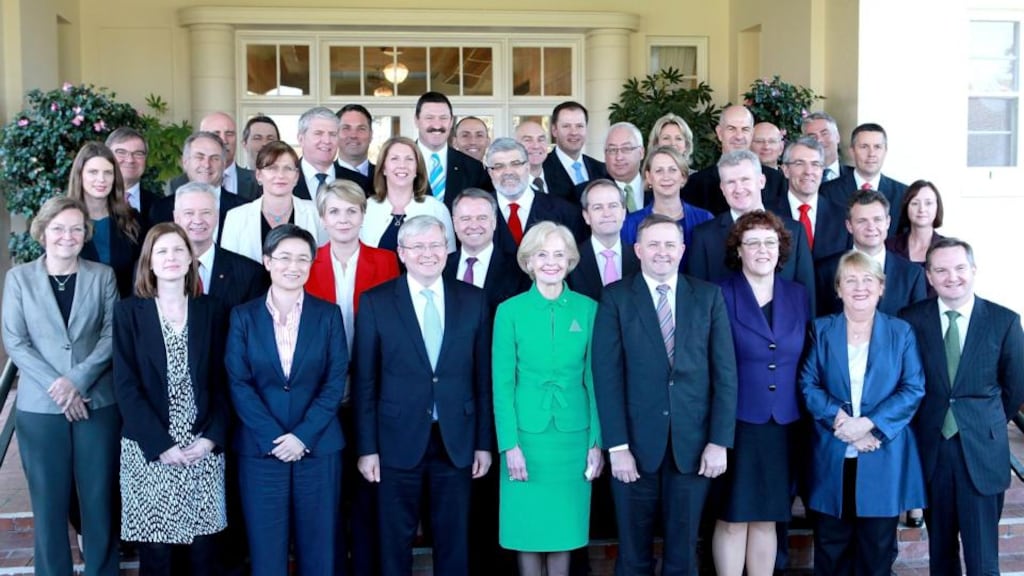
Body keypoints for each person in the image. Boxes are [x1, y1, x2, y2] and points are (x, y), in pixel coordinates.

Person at [593, 213, 738, 575]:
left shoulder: (708, 296)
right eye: (653, 244)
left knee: (683, 553)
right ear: (638, 249)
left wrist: (719, 441)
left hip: (692, 447)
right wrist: (618, 447)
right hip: (634, 451)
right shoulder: (615, 298)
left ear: (682, 249)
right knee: (633, 554)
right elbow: (606, 377)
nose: (662, 252)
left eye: (670, 244)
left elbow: (725, 375)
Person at [353, 215, 493, 576]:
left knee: (454, 541)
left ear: (447, 249)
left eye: (435, 245)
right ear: (402, 252)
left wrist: (482, 444)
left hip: (456, 441)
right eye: (417, 246)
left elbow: (482, 379)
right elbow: (365, 383)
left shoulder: (474, 300)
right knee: (394, 543)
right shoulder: (375, 302)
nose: (428, 253)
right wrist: (367, 448)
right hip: (395, 441)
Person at [1, 196, 120, 576]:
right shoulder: (19, 279)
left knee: (99, 500)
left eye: (75, 228)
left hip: (95, 403)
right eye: (58, 228)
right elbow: (15, 340)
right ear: (42, 232)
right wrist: (59, 384)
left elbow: (111, 334)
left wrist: (77, 379)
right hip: (40, 408)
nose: (67, 236)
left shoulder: (102, 276)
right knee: (49, 505)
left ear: (85, 234)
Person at [225, 224, 348, 576]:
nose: (293, 266)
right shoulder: (243, 316)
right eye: (284, 258)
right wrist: (276, 439)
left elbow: (334, 381)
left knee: (319, 553)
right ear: (267, 261)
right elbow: (239, 382)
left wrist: (302, 437)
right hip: (262, 451)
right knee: (266, 555)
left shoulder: (328, 315)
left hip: (318, 449)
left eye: (302, 259)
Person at [901, 238, 1024, 576]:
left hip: (982, 453)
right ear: (929, 276)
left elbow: (1014, 388)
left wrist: (982, 421)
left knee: (983, 559)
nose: (951, 277)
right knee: (940, 554)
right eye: (940, 270)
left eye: (959, 268)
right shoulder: (911, 319)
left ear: (973, 270)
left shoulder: (1004, 321)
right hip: (932, 451)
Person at [800, 251, 926, 576]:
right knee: (830, 547)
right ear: (838, 289)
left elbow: (913, 388)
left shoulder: (901, 332)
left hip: (882, 451)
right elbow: (808, 383)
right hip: (832, 450)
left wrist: (869, 425)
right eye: (850, 280)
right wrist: (841, 422)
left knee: (878, 550)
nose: (860, 287)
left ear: (881, 287)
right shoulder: (821, 329)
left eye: (868, 279)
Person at [113, 223, 229, 575]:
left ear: (191, 257)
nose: (171, 258)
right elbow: (125, 385)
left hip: (201, 447)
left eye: (179, 250)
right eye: (162, 251)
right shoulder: (129, 313)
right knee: (158, 556)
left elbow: (226, 381)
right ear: (148, 262)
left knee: (203, 555)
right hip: (150, 451)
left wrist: (211, 438)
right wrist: (161, 444)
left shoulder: (213, 310)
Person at [492, 221, 602, 576]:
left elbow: (595, 380)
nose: (551, 262)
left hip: (573, 438)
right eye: (542, 254)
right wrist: (510, 445)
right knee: (527, 533)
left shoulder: (588, 309)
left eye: (559, 254)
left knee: (563, 534)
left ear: (570, 260)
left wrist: (596, 443)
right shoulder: (509, 311)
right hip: (526, 438)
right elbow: (502, 383)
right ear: (529, 261)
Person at [305, 178, 399, 576]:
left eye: (351, 210)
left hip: (373, 393)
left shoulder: (387, 262)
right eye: (334, 211)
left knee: (367, 496)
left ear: (363, 215)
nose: (343, 219)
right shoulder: (306, 262)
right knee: (328, 497)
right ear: (322, 218)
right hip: (320, 397)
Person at [711, 211, 809, 576]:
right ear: (739, 250)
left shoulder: (798, 295)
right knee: (734, 517)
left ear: (780, 248)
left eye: (769, 242)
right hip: (736, 423)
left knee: (768, 518)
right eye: (752, 243)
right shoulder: (719, 293)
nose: (762, 250)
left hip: (784, 425)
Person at [686, 150, 816, 315]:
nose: (738, 189)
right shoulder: (704, 236)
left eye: (745, 180)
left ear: (761, 181)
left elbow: (807, 295)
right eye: (730, 182)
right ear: (722, 188)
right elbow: (698, 301)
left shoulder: (794, 230)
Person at [814, 189, 927, 317]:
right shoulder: (825, 271)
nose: (871, 227)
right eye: (862, 221)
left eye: (877, 219)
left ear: (888, 222)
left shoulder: (912, 275)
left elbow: (918, 327)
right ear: (849, 226)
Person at [221, 140, 325, 263]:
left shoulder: (315, 213)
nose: (280, 175)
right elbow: (228, 268)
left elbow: (323, 261)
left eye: (287, 168)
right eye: (272, 168)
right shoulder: (236, 217)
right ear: (259, 175)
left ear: (296, 176)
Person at [173, 182, 268, 310]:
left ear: (217, 216)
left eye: (206, 212)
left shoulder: (249, 273)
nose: (197, 220)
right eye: (189, 213)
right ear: (176, 218)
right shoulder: (157, 270)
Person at [66, 141, 142, 297]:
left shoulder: (132, 220)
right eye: (93, 172)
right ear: (80, 175)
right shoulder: (62, 221)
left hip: (123, 312)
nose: (101, 179)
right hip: (79, 315)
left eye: (108, 172)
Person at [485, 137, 584, 255]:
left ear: (527, 167)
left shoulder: (566, 212)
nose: (508, 172)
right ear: (490, 173)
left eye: (515, 164)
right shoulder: (477, 213)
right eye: (499, 166)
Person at [681, 105, 787, 214]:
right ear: (719, 133)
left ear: (752, 133)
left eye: (745, 129)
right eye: (731, 129)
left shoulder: (777, 181)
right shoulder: (695, 184)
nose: (739, 136)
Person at [360, 136, 456, 254]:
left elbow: (450, 258)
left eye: (409, 159)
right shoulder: (367, 208)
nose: (402, 165)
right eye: (394, 159)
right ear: (383, 168)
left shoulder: (436, 209)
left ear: (417, 168)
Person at [621, 145, 713, 267]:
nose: (666, 177)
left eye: (672, 170)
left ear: (683, 177)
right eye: (659, 171)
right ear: (649, 177)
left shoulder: (705, 219)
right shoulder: (630, 224)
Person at [767, 137, 851, 264]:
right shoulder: (767, 214)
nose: (808, 171)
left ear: (822, 171)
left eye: (815, 164)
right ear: (785, 170)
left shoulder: (842, 216)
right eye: (799, 163)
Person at [148, 132, 247, 236]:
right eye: (199, 157)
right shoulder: (161, 209)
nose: (207, 164)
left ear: (223, 164)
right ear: (185, 162)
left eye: (214, 158)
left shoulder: (243, 209)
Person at [820, 123, 907, 234]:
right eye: (864, 147)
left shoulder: (903, 194)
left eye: (877, 147)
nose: (871, 154)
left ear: (885, 151)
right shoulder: (828, 192)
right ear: (852, 151)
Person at [567, 179, 639, 302]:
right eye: (598, 207)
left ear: (623, 213)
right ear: (586, 216)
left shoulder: (640, 258)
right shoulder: (570, 260)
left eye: (613, 206)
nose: (607, 213)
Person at [415, 91, 489, 208]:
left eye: (443, 118)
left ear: (451, 122)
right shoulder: (398, 164)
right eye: (429, 118)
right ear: (417, 121)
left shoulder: (474, 168)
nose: (437, 125)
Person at [168, 112, 259, 200]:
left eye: (229, 134)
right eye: (215, 134)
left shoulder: (256, 181)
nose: (224, 140)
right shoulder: (177, 184)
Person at [542, 101, 607, 204]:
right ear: (554, 130)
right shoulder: (541, 170)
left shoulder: (602, 170)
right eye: (566, 126)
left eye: (579, 126)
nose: (574, 132)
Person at [886, 179, 946, 265]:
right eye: (915, 203)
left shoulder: (949, 249)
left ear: (937, 207)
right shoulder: (889, 247)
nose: (922, 209)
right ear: (906, 207)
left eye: (928, 203)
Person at [106, 126, 160, 221]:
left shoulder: (159, 205)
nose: (130, 160)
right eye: (121, 152)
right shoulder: (91, 202)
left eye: (138, 153)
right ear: (106, 156)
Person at [291, 106, 342, 200]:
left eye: (332, 134)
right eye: (318, 133)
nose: (327, 141)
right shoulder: (285, 179)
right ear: (301, 139)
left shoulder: (358, 182)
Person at [335, 104, 377, 196]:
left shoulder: (385, 176)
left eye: (361, 129)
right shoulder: (325, 177)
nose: (353, 135)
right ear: (335, 134)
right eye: (346, 128)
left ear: (371, 135)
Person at [800, 112, 850, 182]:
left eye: (824, 134)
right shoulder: (796, 178)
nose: (819, 140)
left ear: (837, 137)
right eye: (812, 137)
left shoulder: (855, 176)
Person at [515, 120, 551, 195]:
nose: (536, 146)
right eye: (528, 140)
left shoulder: (561, 181)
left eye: (541, 139)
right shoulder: (507, 184)